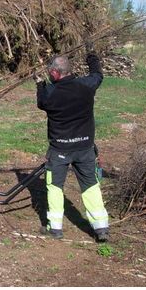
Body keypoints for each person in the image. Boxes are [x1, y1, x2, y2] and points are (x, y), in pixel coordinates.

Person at [34, 42, 109, 242]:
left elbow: (41, 101)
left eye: (50, 72)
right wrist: (91, 56)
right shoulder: (86, 86)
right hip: (84, 147)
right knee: (90, 185)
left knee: (55, 187)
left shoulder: (50, 93)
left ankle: (55, 228)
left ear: (56, 74)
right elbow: (98, 75)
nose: (50, 75)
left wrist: (40, 82)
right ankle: (101, 228)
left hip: (60, 149)